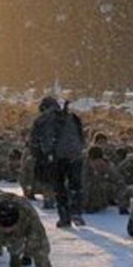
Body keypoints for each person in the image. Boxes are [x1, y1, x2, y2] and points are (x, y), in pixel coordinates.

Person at [30, 95, 86, 229]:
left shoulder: (42, 119)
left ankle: (64, 217)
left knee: (59, 186)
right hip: (76, 154)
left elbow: (34, 142)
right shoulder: (71, 116)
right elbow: (82, 137)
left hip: (57, 156)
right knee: (75, 185)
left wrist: (44, 156)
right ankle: (76, 212)